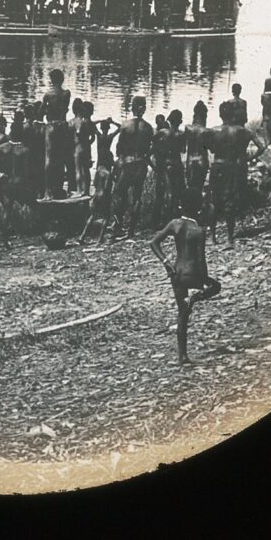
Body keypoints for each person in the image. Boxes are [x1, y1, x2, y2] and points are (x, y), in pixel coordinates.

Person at [150, 188, 221, 365]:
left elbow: (154, 242)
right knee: (216, 287)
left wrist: (166, 262)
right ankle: (194, 298)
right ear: (198, 209)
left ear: (181, 206)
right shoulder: (198, 230)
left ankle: (182, 355)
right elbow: (200, 260)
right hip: (192, 274)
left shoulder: (175, 223)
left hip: (176, 273)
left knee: (182, 314)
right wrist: (204, 283)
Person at [205, 104, 266, 248]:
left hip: (217, 166)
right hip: (232, 167)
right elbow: (262, 147)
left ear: (220, 115)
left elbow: (211, 149)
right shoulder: (242, 131)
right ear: (233, 115)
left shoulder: (213, 130)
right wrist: (249, 158)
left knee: (213, 200)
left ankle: (212, 237)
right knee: (229, 200)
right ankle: (229, 238)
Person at [110, 96, 154, 238]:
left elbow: (119, 148)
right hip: (141, 164)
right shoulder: (148, 128)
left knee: (118, 193)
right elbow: (148, 148)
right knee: (137, 196)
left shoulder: (125, 125)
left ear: (132, 107)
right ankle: (131, 231)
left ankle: (118, 226)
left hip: (127, 164)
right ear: (144, 108)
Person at [40, 69, 73, 198]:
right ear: (62, 79)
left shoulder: (47, 95)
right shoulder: (66, 93)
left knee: (49, 158)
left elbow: (41, 111)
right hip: (62, 125)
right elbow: (64, 109)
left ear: (51, 80)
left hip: (51, 125)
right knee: (61, 157)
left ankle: (47, 191)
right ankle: (60, 188)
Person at [70, 100, 96, 196]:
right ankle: (86, 191)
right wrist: (88, 143)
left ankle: (79, 190)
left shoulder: (74, 123)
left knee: (78, 170)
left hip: (77, 148)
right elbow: (93, 137)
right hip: (86, 148)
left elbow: (75, 134)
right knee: (86, 170)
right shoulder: (88, 123)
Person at [184, 101, 210, 191]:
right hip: (202, 160)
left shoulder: (188, 128)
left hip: (190, 160)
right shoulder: (206, 131)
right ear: (205, 115)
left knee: (190, 187)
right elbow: (211, 148)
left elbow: (184, 147)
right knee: (199, 188)